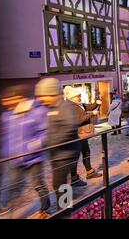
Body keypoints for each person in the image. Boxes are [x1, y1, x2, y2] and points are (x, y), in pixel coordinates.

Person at [0, 85, 50, 218]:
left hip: (34, 158)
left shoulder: (38, 111)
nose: (5, 102)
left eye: (9, 99)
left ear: (19, 98)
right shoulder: (8, 114)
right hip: (14, 159)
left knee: (38, 184)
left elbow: (45, 133)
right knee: (9, 185)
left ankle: (45, 208)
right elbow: (7, 135)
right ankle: (6, 210)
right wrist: (7, 151)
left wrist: (30, 147)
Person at [35, 78, 81, 211]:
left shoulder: (65, 107)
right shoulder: (52, 107)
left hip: (66, 154)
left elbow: (70, 127)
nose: (42, 99)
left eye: (44, 96)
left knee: (59, 184)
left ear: (52, 93)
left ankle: (65, 210)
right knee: (59, 183)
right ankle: (65, 208)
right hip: (57, 154)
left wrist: (47, 142)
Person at [64, 87, 102, 184]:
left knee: (86, 151)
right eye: (78, 96)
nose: (80, 97)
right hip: (76, 134)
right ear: (72, 97)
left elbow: (89, 107)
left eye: (80, 96)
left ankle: (89, 172)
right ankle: (74, 178)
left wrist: (96, 103)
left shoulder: (78, 104)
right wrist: (92, 114)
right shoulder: (70, 106)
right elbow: (78, 120)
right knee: (76, 156)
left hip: (81, 133)